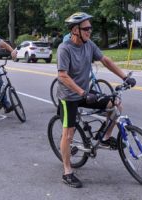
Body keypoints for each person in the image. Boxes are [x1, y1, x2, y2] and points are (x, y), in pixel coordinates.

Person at [56, 12, 136, 188]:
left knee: (115, 105)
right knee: (68, 134)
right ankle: (67, 171)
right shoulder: (65, 48)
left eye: (90, 28)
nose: (89, 31)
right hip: (69, 96)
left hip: (84, 92)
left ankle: (105, 137)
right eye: (86, 28)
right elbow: (62, 75)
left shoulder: (89, 44)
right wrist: (83, 93)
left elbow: (105, 60)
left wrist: (124, 77)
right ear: (75, 30)